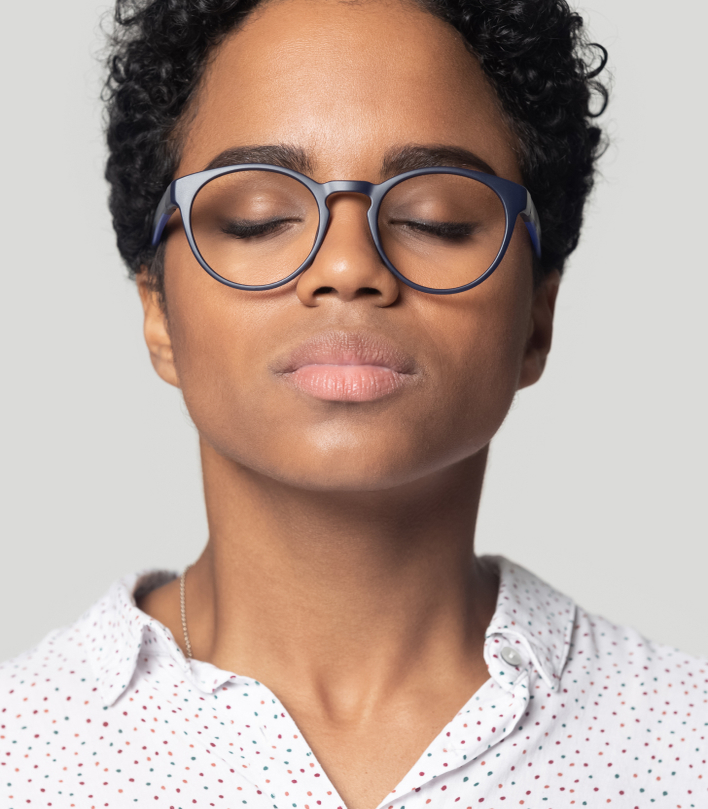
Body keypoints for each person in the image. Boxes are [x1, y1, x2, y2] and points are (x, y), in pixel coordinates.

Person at [1, 0, 705, 807]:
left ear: (537, 318)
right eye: (258, 216)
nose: (346, 265)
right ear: (159, 311)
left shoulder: (687, 743)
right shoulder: (20, 750)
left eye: (434, 219)